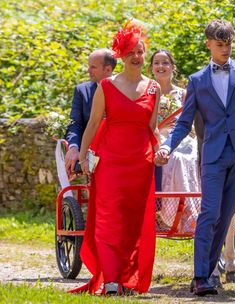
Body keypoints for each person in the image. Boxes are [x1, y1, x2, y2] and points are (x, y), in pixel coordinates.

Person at [155, 19, 235, 296]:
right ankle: (200, 276)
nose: (225, 49)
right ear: (208, 45)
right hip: (213, 155)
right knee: (209, 213)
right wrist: (168, 145)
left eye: (228, 44)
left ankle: (210, 271)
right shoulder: (197, 80)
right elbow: (184, 122)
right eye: (219, 45)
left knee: (226, 214)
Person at [71, 20, 161, 296]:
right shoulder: (107, 86)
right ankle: (111, 279)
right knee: (110, 220)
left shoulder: (154, 89)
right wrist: (84, 156)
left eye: (141, 51)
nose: (137, 56)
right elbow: (93, 124)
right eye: (131, 51)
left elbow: (152, 128)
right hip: (110, 162)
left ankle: (128, 279)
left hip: (141, 164)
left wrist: (163, 148)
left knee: (134, 224)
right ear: (121, 55)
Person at [150, 49, 200, 233]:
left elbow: (190, 122)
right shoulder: (147, 91)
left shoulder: (183, 94)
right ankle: (163, 213)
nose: (160, 66)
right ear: (152, 67)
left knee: (187, 154)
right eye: (156, 63)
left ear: (173, 67)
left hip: (180, 136)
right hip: (155, 135)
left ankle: (189, 210)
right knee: (171, 157)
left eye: (165, 63)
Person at [64, 49, 116, 176]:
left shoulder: (125, 89)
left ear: (108, 69)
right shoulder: (82, 91)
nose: (88, 70)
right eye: (89, 66)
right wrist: (74, 147)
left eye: (93, 67)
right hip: (91, 153)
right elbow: (75, 124)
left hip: (118, 151)